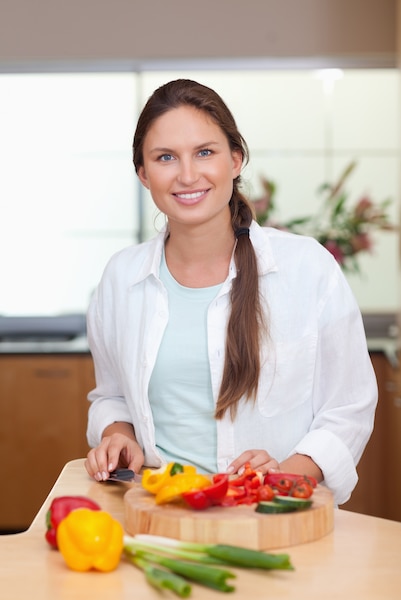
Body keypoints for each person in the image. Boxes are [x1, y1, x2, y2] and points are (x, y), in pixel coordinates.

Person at [84, 78, 377, 505]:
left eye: (205, 152)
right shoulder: (120, 279)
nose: (187, 175)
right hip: (163, 516)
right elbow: (111, 396)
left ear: (235, 160)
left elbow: (349, 408)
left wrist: (284, 473)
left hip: (275, 520)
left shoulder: (307, 268)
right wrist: (118, 434)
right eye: (166, 157)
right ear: (144, 174)